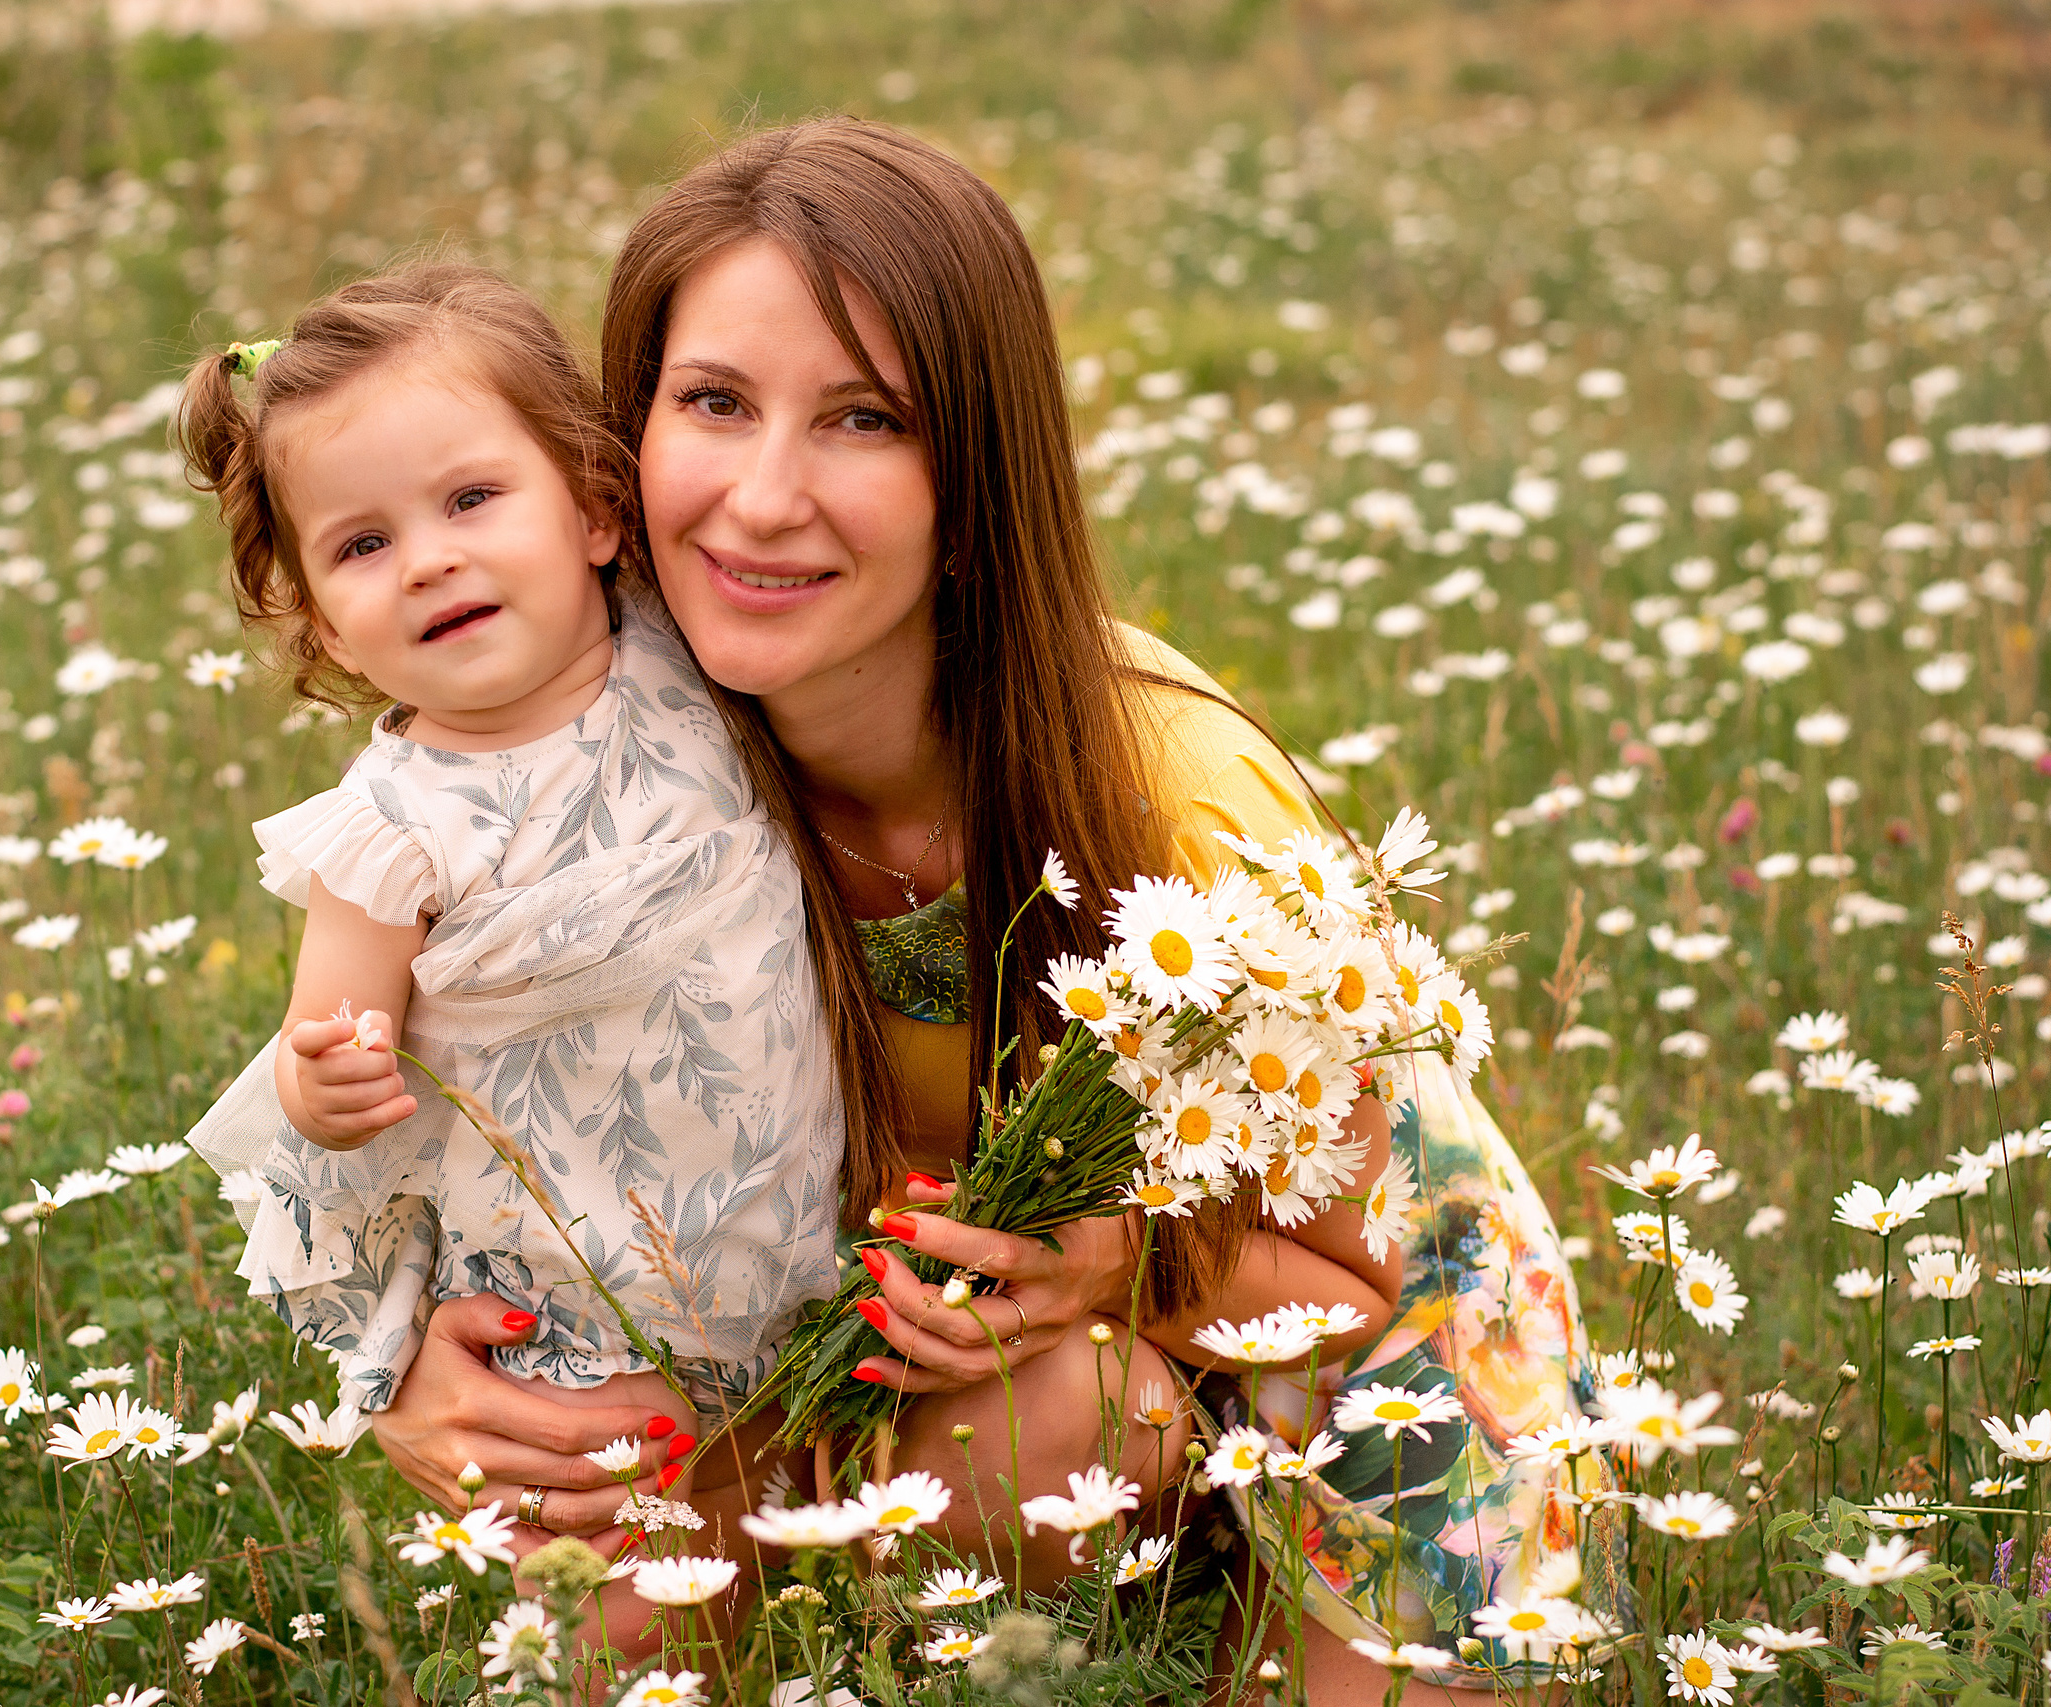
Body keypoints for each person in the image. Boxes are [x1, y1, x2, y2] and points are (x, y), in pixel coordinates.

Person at [370, 123, 1619, 1698]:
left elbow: (1352, 1282)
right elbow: (415, 1098)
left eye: (863, 419)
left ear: (973, 486)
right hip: (928, 1351)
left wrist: (1113, 1269)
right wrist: (402, 1367)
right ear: (624, 443)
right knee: (603, 1540)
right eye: (715, 403)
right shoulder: (588, 752)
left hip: (1353, 1370)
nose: (762, 498)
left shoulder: (1172, 802)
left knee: (1054, 1428)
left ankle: (1192, 1618)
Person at [171, 263, 845, 1516]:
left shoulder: (676, 649)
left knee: (801, 1532)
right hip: (575, 1310)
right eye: (363, 545)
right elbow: (328, 1045)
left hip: (791, 1242)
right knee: (629, 1595)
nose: (430, 561)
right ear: (319, 623)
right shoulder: (389, 829)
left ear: (596, 511)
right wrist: (324, 1082)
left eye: (473, 499)